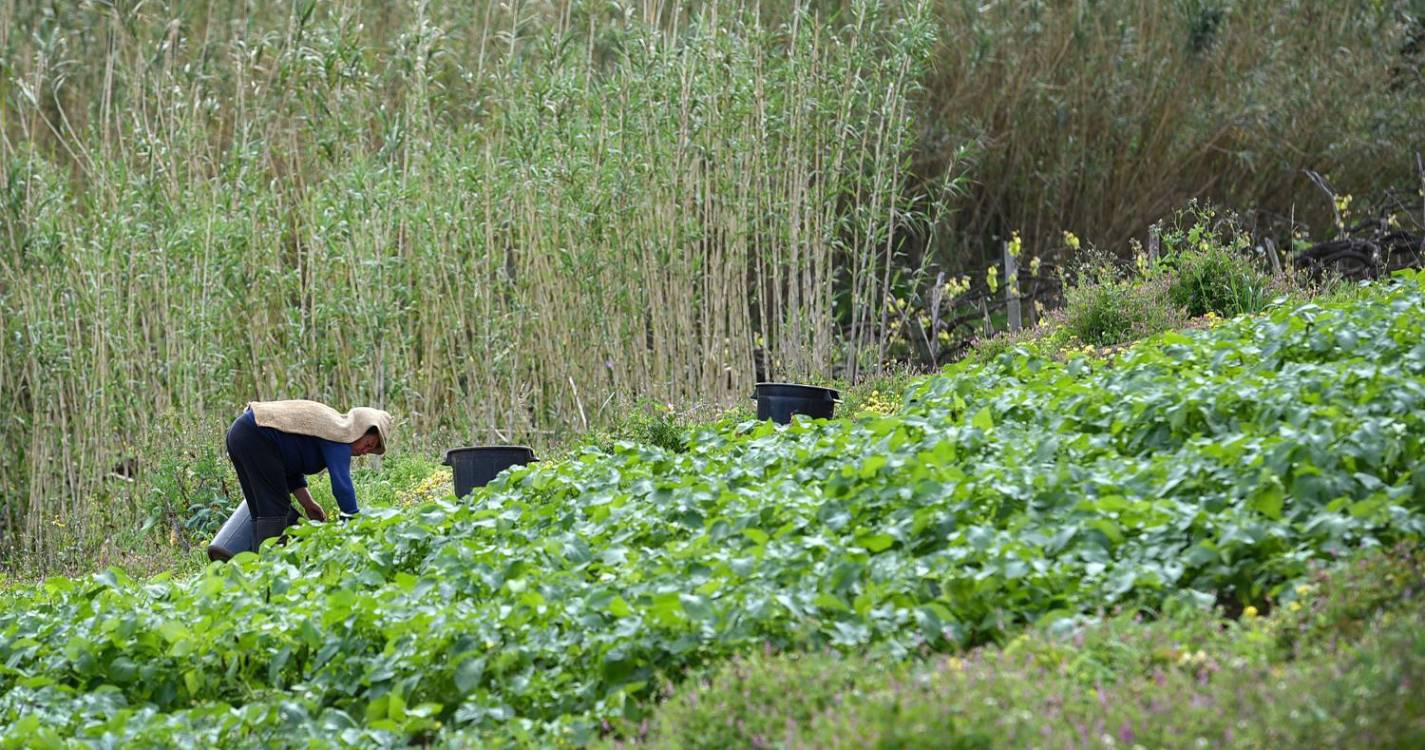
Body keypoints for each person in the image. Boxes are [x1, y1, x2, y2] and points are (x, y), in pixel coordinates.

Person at [210, 399, 393, 561]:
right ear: (359, 430)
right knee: (275, 507)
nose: (365, 451)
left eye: (371, 450)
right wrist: (353, 523)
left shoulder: (329, 431)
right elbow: (342, 486)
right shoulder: (340, 435)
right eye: (368, 444)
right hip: (255, 434)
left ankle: (252, 565)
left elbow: (288, 465)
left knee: (260, 509)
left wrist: (309, 504)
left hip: (241, 434)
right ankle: (268, 568)